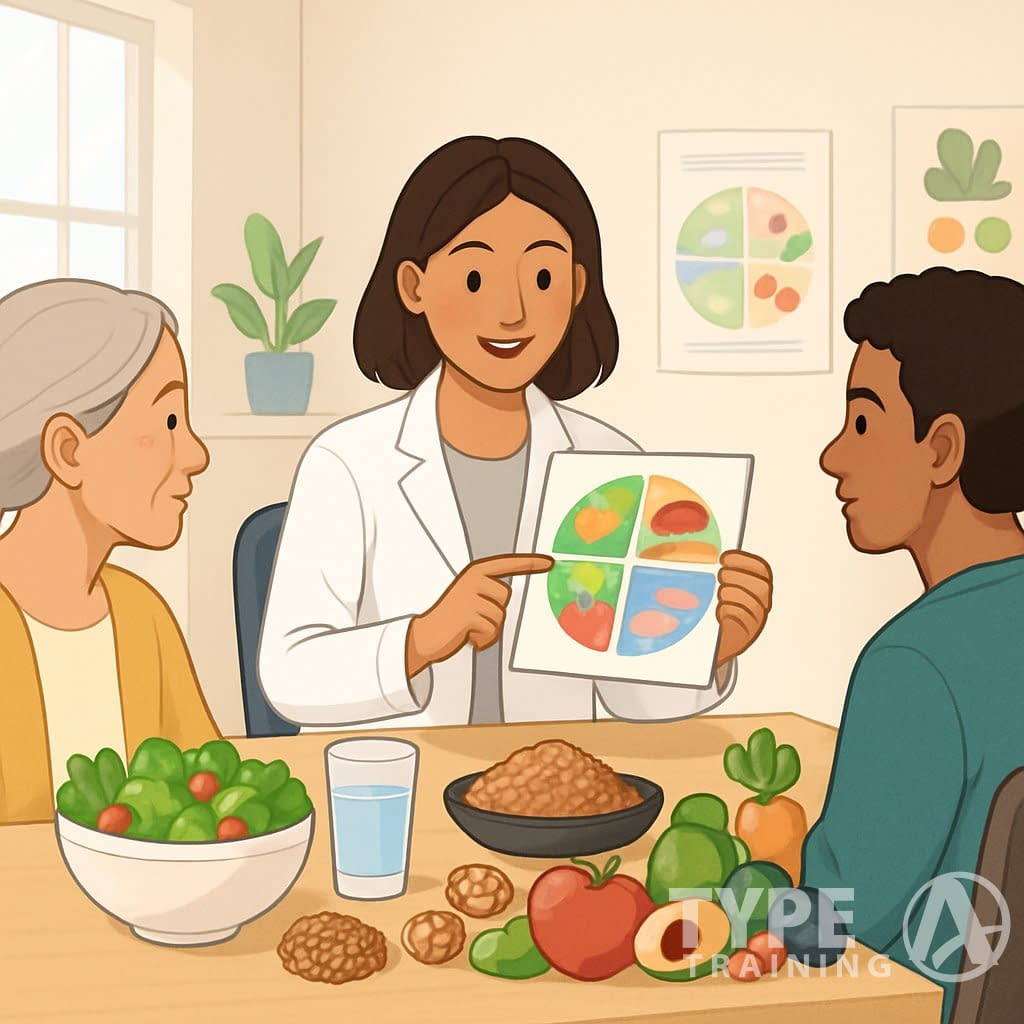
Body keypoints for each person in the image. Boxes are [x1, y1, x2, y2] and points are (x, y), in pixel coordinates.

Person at [259, 136, 773, 729]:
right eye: (475, 276)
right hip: (402, 786)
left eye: (544, 277)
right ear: (414, 286)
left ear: (578, 288)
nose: (511, 311)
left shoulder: (611, 462)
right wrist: (421, 639)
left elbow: (630, 696)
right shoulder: (347, 462)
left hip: (551, 792)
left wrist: (709, 647)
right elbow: (289, 674)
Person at [802, 267, 1024, 1021]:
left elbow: (835, 925)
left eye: (863, 423)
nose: (835, 456)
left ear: (943, 448)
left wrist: (747, 889)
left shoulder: (914, 665)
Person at [0, 279, 219, 825]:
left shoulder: (142, 615)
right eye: (169, 421)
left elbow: (216, 795)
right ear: (68, 451)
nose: (196, 453)